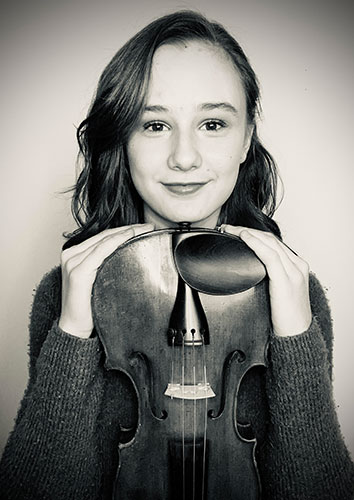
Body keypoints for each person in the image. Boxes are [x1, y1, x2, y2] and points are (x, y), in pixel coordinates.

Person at [0, 10, 353, 500]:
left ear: (247, 137)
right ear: (121, 138)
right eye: (154, 125)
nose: (184, 158)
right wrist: (72, 332)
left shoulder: (297, 291)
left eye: (212, 123)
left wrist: (295, 338)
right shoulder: (64, 291)